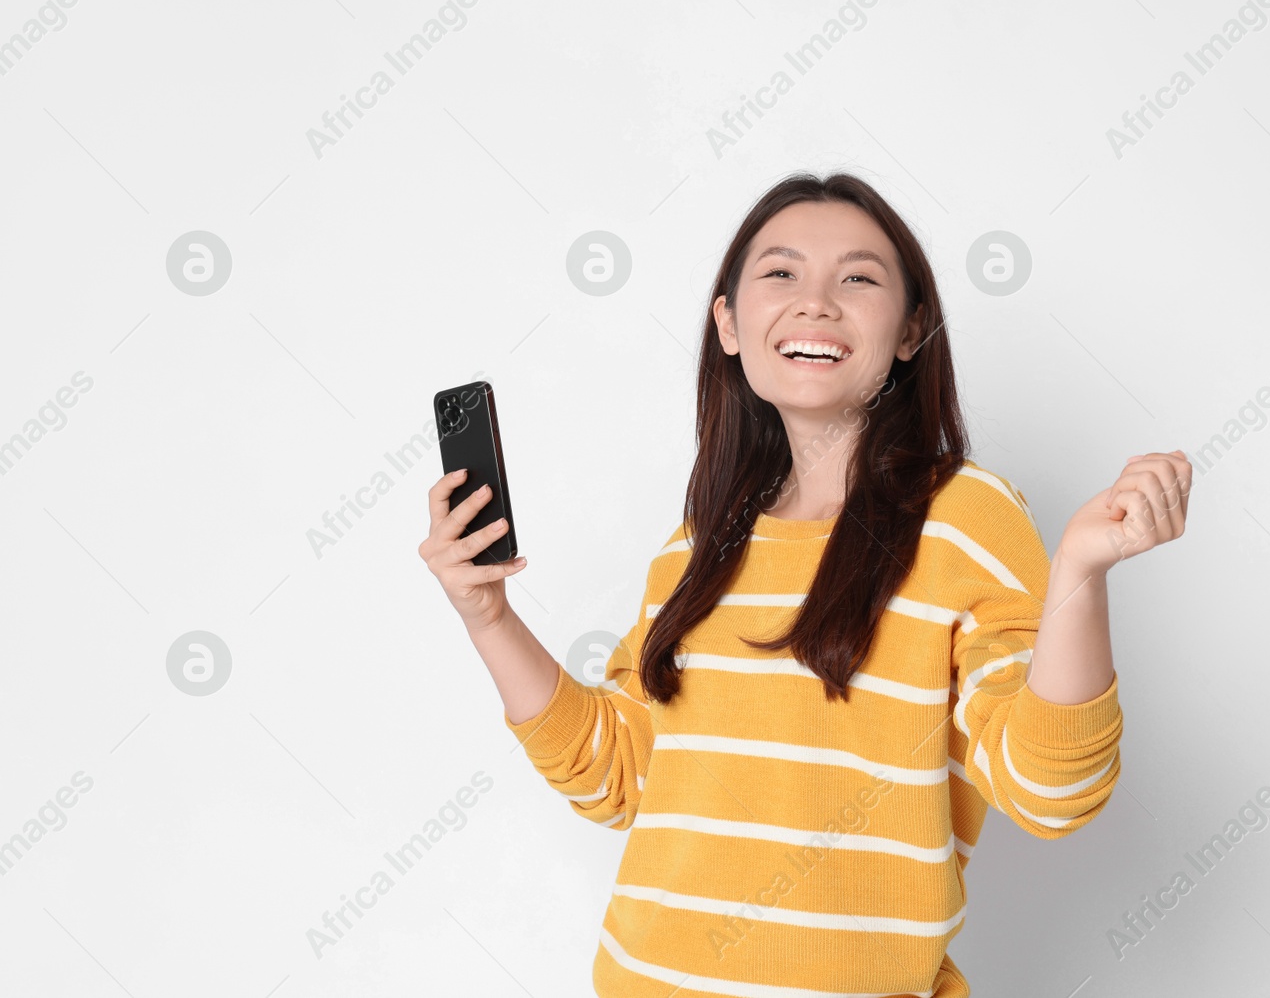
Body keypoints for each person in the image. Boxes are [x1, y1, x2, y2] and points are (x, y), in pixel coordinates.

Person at [418, 171, 1192, 997]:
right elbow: (621, 775)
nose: (816, 302)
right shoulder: (698, 545)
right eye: (780, 273)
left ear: (910, 330)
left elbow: (1052, 790)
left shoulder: (965, 516)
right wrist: (487, 614)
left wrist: (1079, 572)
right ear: (729, 323)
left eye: (859, 278)